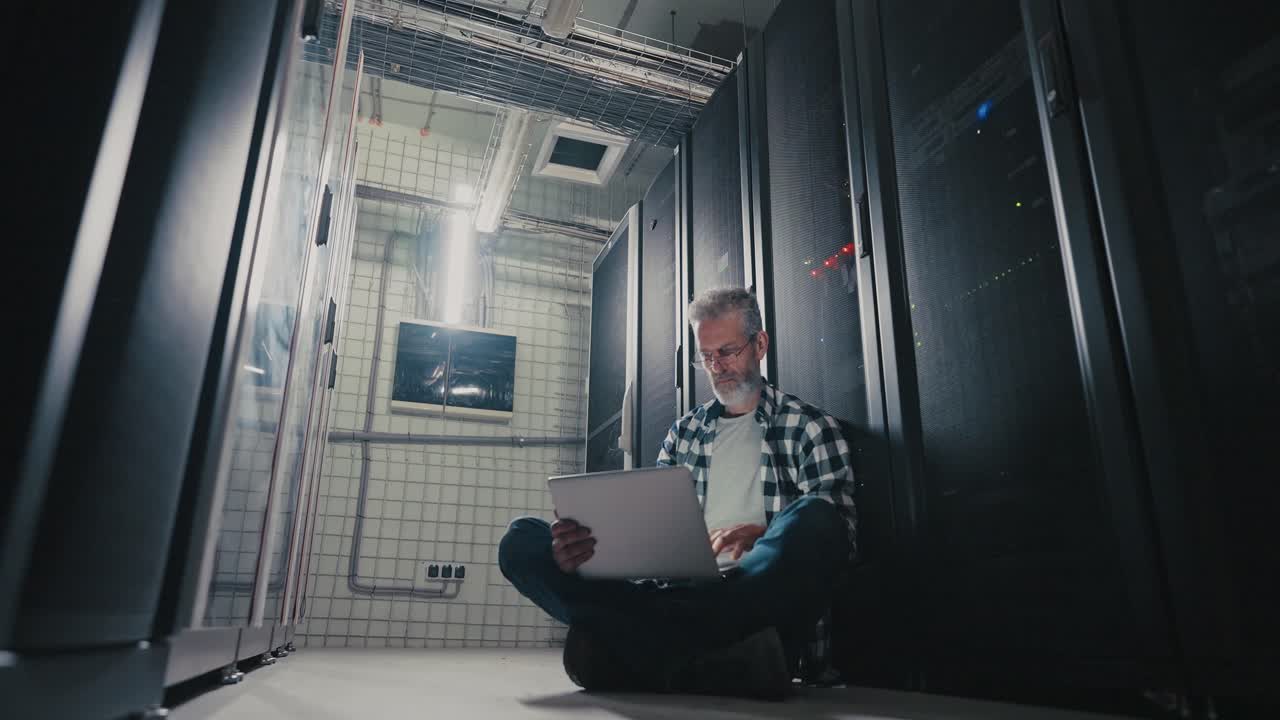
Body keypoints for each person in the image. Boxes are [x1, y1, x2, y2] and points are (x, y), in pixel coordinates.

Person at [498, 287, 857, 700]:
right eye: (706, 356)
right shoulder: (683, 434)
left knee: (816, 518)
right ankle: (719, 664)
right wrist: (585, 554)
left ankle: (637, 655)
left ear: (759, 344)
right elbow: (650, 535)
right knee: (521, 541)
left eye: (727, 351)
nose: (716, 367)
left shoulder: (809, 428)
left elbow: (838, 539)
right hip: (674, 594)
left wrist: (762, 534)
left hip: (750, 601)